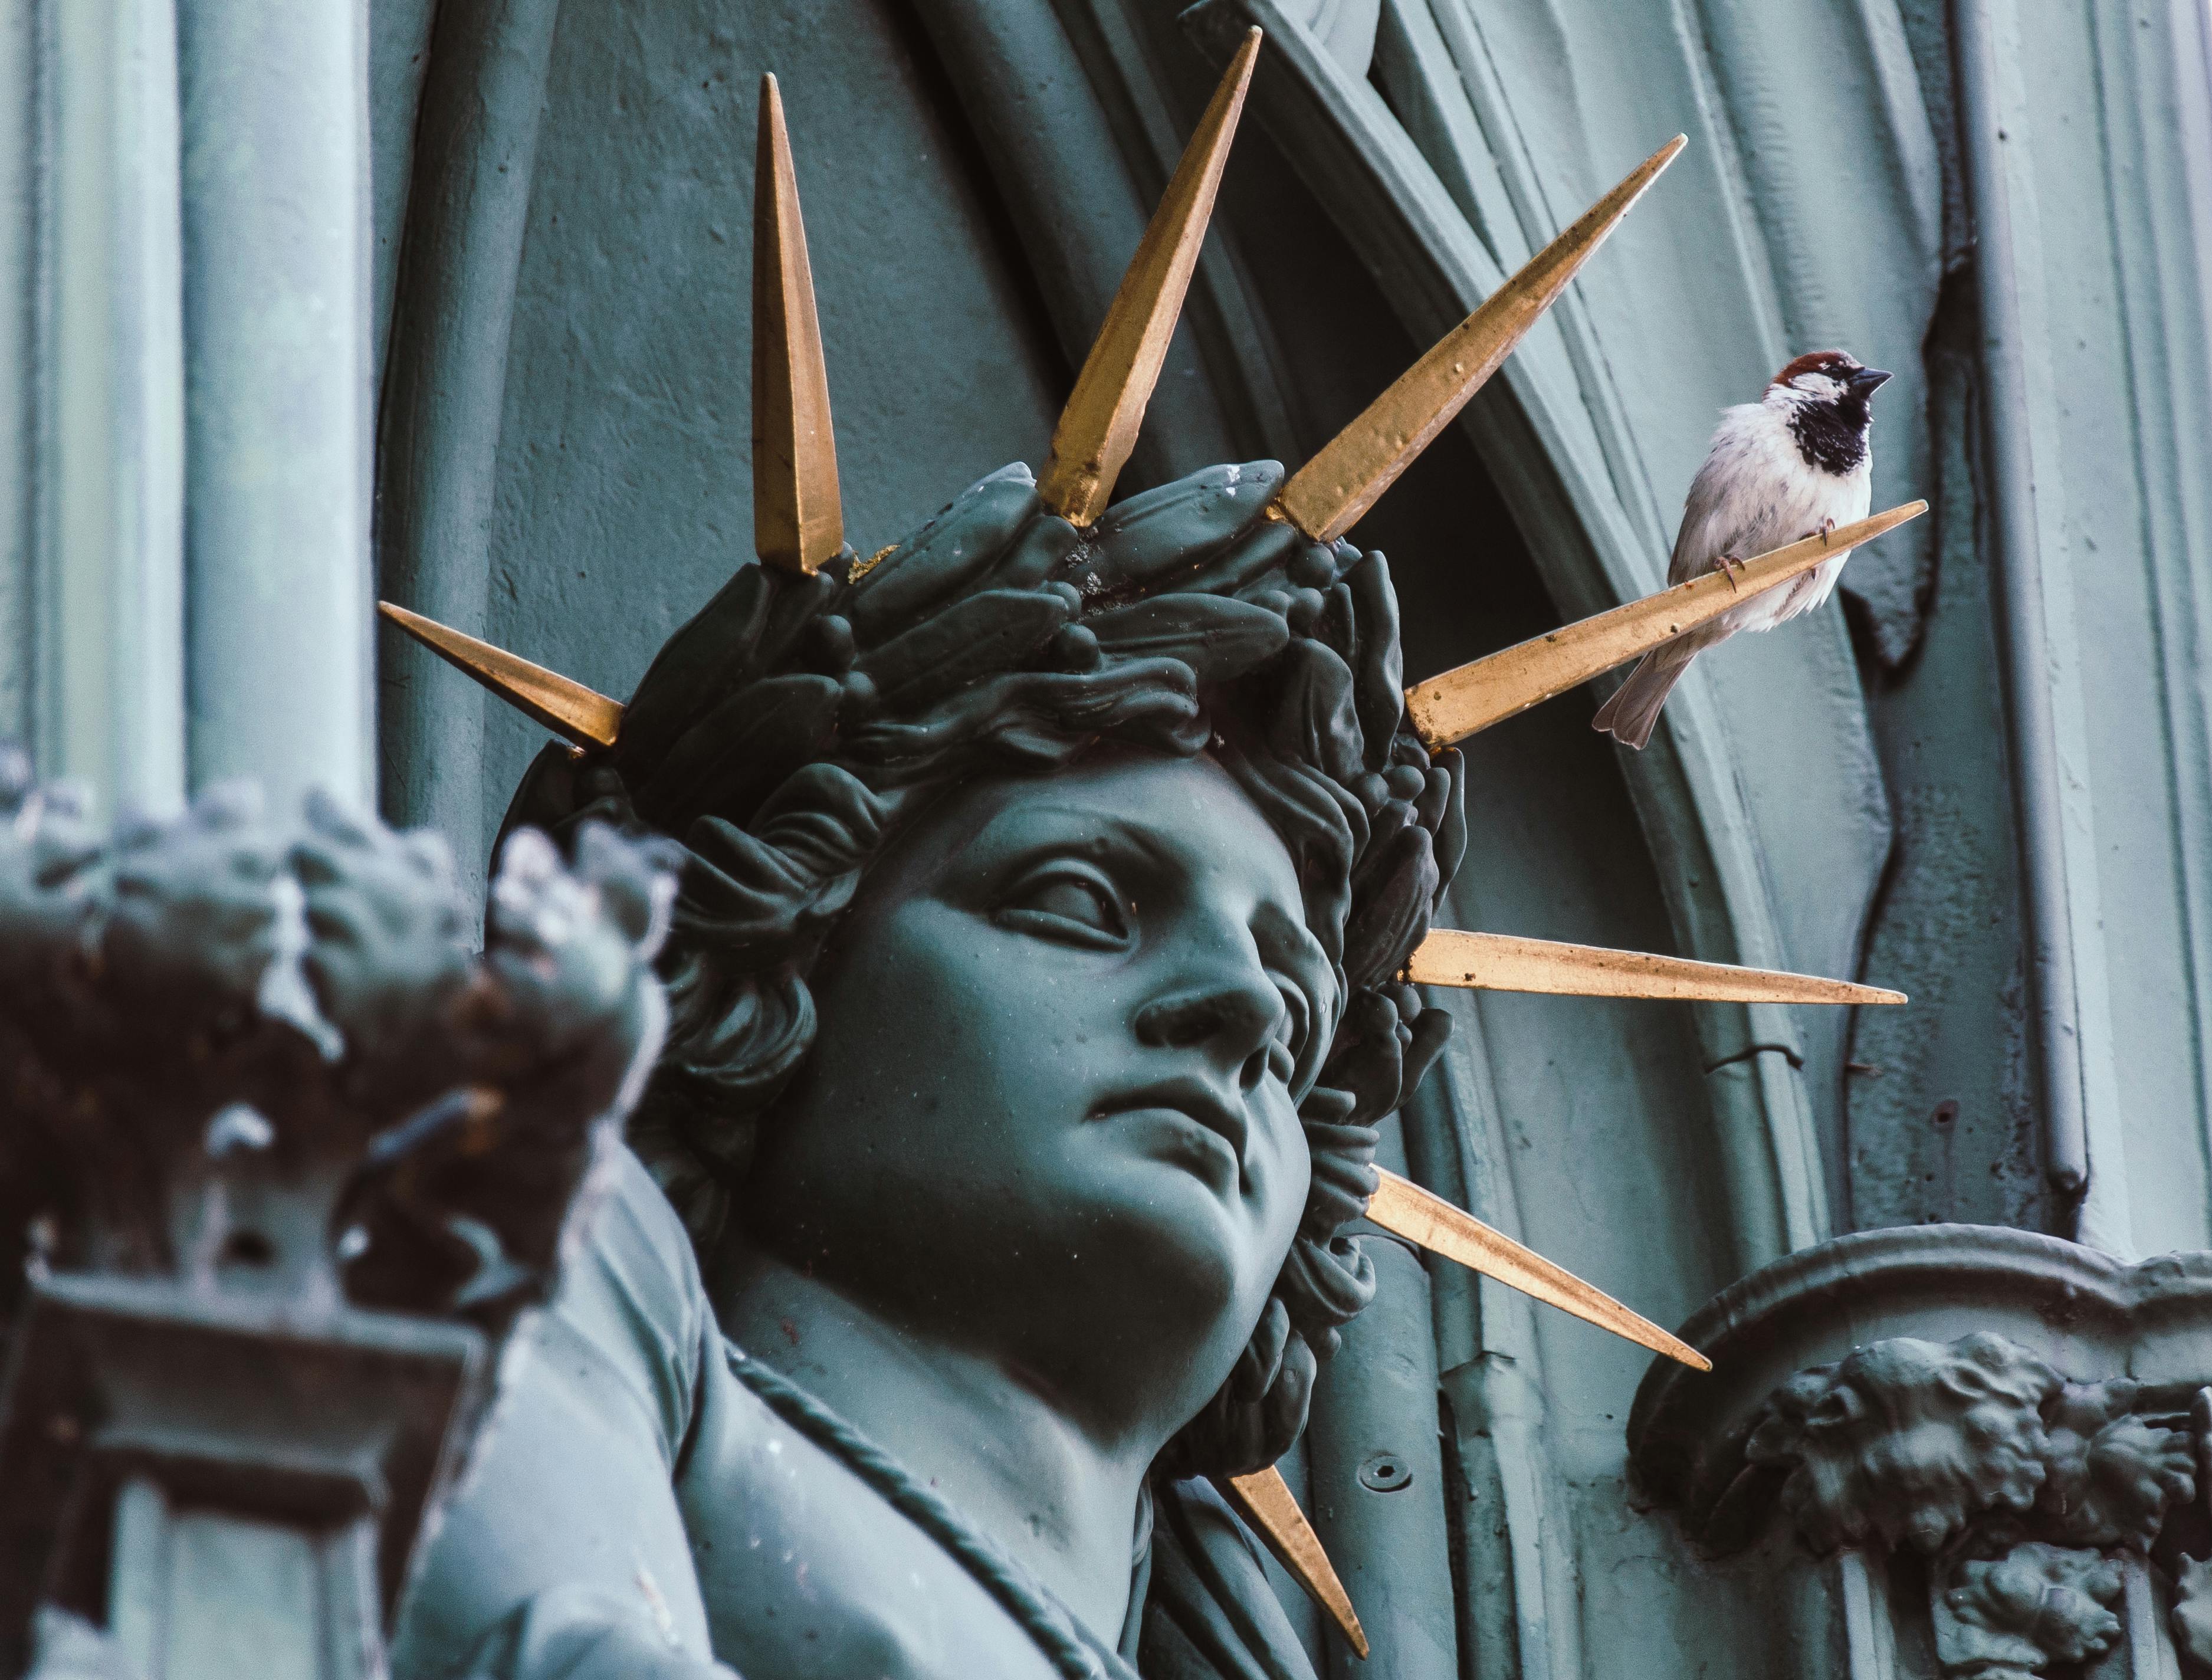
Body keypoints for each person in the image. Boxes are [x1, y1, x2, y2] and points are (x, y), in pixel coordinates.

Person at [389, 457, 1466, 1680]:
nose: (1234, 1010)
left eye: (1291, 1017)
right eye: (1076, 901)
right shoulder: (561, 1296)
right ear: (773, 965)